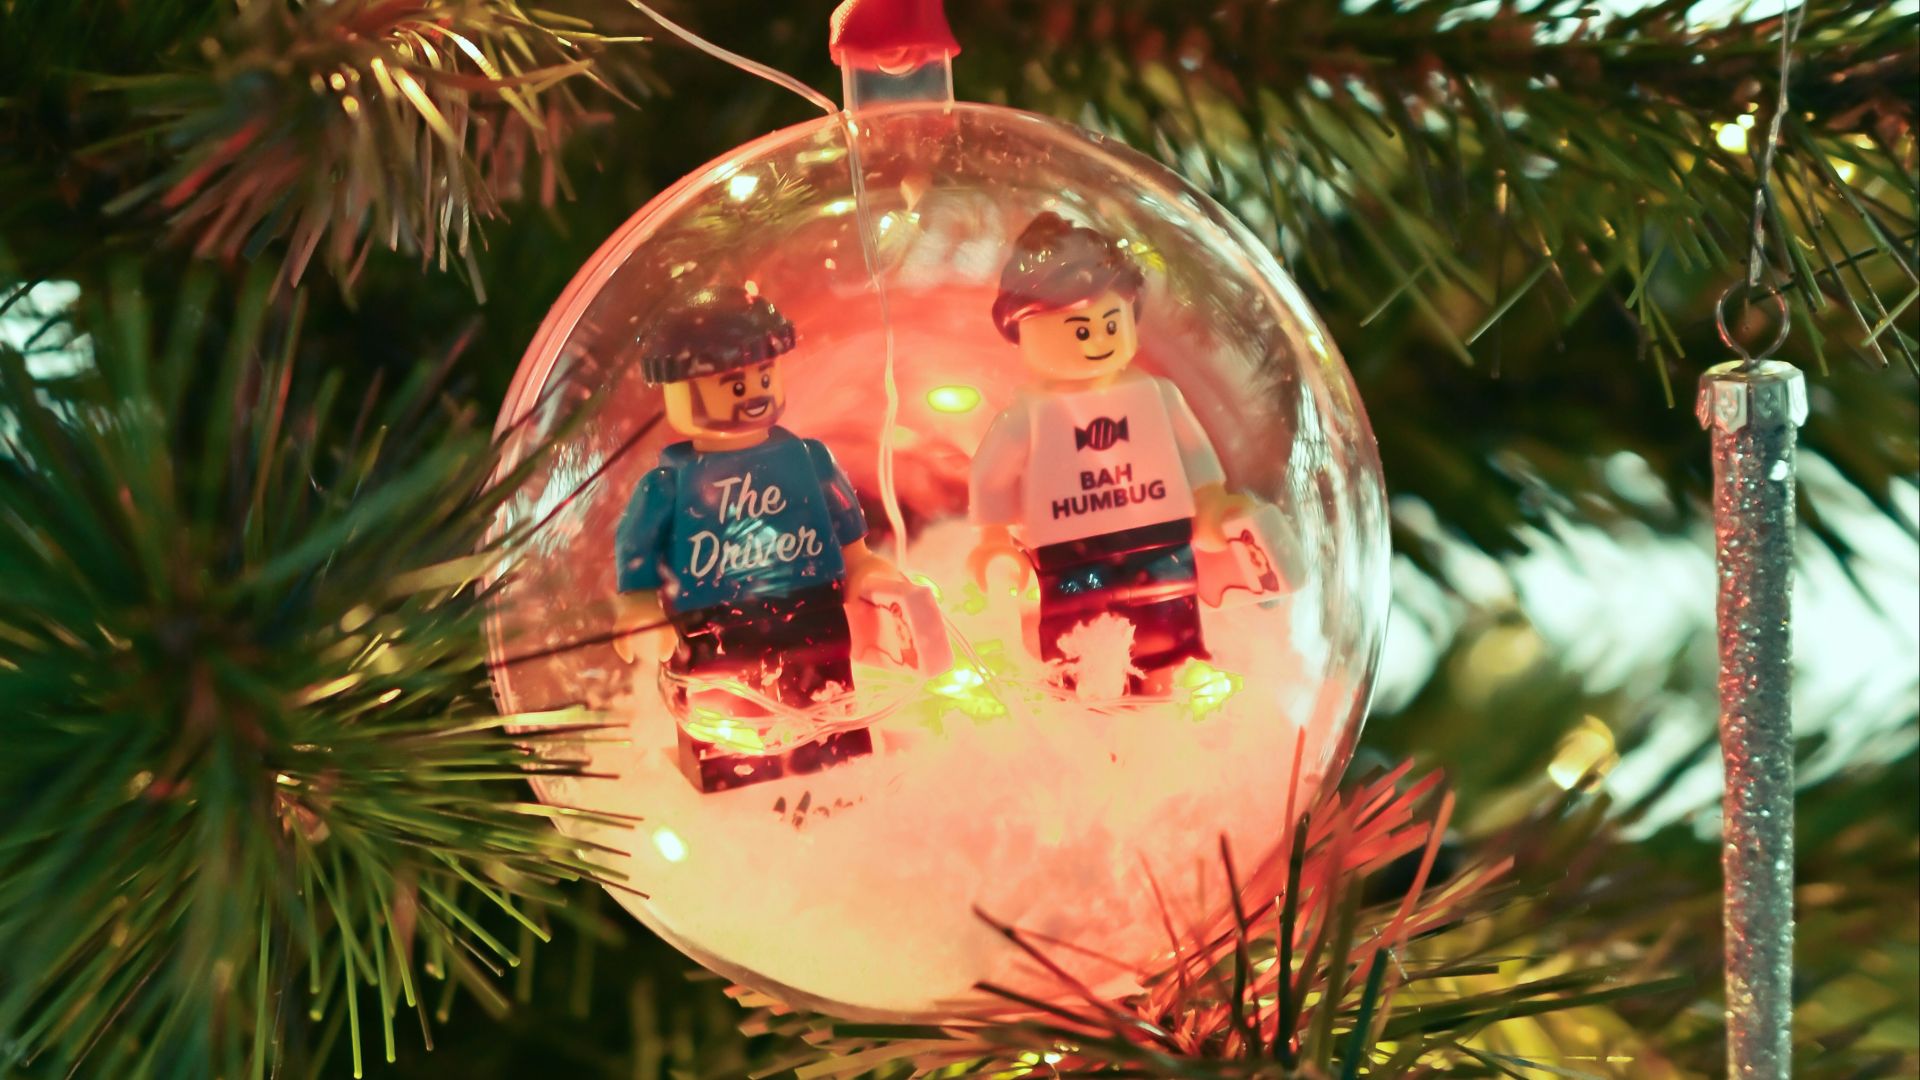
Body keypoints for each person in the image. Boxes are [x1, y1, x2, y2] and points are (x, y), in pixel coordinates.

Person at [613, 286, 900, 790]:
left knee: (826, 692)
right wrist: (638, 607)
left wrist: (860, 563)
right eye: (734, 385)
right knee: (729, 712)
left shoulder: (807, 457)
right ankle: (736, 773)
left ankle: (835, 757)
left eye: (763, 375)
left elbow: (843, 518)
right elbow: (636, 548)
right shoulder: (669, 484)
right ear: (678, 389)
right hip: (714, 623)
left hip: (813, 605)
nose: (756, 393)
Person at [968, 212, 1251, 696]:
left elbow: (1195, 454)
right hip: (1070, 557)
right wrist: (994, 539)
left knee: (1169, 613)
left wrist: (1210, 503)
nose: (1099, 340)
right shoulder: (1029, 416)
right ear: (1023, 328)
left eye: (1111, 322)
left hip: (1162, 544)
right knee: (1077, 631)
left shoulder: (1158, 395)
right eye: (1081, 330)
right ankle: (1082, 690)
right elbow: (991, 478)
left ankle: (1174, 672)